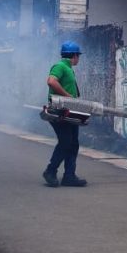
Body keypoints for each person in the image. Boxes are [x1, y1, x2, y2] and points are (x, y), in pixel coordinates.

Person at [43, 41, 87, 188]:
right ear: (74, 55)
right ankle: (50, 171)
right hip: (60, 111)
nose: (78, 59)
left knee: (73, 143)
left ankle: (69, 176)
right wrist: (67, 96)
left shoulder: (68, 68)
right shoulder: (60, 66)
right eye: (78, 56)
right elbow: (51, 81)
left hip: (69, 111)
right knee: (66, 142)